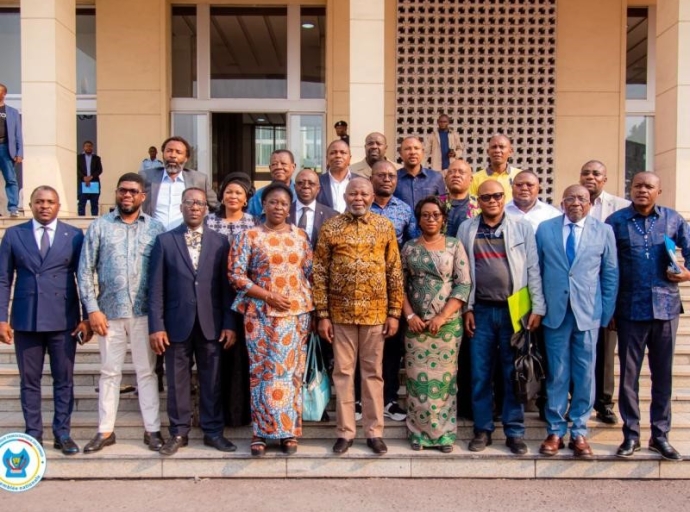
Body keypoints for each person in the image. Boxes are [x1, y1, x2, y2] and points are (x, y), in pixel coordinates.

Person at [314, 177, 403, 455]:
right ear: (345, 196)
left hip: (375, 314)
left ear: (372, 196)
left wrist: (394, 313)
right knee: (342, 373)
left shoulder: (383, 227)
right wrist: (323, 315)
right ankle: (345, 432)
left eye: (364, 194)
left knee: (373, 374)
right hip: (340, 315)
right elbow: (319, 272)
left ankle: (374, 432)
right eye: (353, 193)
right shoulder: (331, 227)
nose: (358, 198)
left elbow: (394, 271)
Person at [78, 173, 166, 453]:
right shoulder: (100, 226)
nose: (127, 196)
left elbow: (163, 275)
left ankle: (152, 430)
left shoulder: (156, 228)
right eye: (122, 191)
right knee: (109, 373)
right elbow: (84, 271)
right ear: (116, 193)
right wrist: (92, 310)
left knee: (146, 373)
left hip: (144, 314)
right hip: (109, 314)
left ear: (143, 197)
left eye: (133, 191)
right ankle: (105, 431)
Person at [457, 180, 545, 455]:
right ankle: (482, 429)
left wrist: (537, 307)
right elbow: (462, 272)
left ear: (503, 197)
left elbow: (533, 268)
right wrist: (466, 309)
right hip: (480, 310)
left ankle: (514, 431)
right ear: (478, 200)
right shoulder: (467, 228)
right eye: (486, 197)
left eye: (496, 195)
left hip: (514, 312)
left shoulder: (521, 227)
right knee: (480, 374)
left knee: (513, 372)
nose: (492, 200)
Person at [0, 186, 90, 454]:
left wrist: (86, 317)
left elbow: (83, 278)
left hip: (64, 320)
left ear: (59, 205)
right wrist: (1, 318)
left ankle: (62, 432)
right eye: (39, 201)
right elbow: (4, 279)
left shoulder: (73, 236)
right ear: (30, 204)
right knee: (30, 380)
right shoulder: (14, 235)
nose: (44, 206)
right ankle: (33, 434)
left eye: (50, 202)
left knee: (64, 379)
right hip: (27, 319)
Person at [607, 172, 690, 461]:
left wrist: (686, 273)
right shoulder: (615, 222)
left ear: (659, 191)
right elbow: (607, 267)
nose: (643, 190)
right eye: (638, 186)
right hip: (629, 309)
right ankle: (631, 436)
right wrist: (610, 309)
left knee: (662, 376)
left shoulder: (673, 219)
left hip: (666, 309)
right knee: (628, 377)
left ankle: (660, 435)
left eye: (649, 187)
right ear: (630, 189)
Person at [148, 187, 238, 456]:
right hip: (176, 323)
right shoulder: (164, 241)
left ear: (206, 209)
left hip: (211, 322)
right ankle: (178, 432)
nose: (195, 207)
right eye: (189, 203)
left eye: (199, 203)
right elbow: (155, 288)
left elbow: (227, 287)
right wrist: (156, 325)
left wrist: (229, 323)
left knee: (212, 379)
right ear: (181, 207)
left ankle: (212, 431)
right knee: (177, 380)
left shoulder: (221, 242)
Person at [229, 182, 314, 456]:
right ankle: (261, 432)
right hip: (260, 316)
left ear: (290, 208)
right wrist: (267, 296)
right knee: (262, 374)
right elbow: (236, 275)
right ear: (263, 205)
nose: (279, 207)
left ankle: (288, 431)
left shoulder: (301, 236)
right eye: (273, 202)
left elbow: (310, 272)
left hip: (295, 316)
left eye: (284, 203)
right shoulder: (249, 236)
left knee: (290, 374)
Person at [536, 184, 618, 458]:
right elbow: (536, 271)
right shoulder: (545, 229)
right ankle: (556, 429)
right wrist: (538, 307)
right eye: (570, 197)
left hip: (588, 313)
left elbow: (610, 275)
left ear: (590, 203)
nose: (575, 202)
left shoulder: (603, 231)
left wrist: (605, 314)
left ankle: (580, 430)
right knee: (558, 373)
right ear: (562, 202)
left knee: (585, 374)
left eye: (581, 198)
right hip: (555, 313)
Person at [401, 196, 471, 452]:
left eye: (436, 215)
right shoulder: (408, 248)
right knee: (418, 382)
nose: (431, 219)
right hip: (416, 326)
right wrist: (410, 316)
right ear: (418, 220)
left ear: (443, 218)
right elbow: (399, 286)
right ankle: (418, 434)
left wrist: (442, 316)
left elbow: (463, 284)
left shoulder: (454, 245)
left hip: (447, 326)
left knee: (443, 382)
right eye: (425, 215)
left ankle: (444, 435)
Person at [579, 159, 630, 425]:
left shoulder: (620, 209)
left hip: (606, 289)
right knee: (579, 350)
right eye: (585, 173)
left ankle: (605, 402)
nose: (590, 177)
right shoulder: (569, 206)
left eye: (596, 173)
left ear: (605, 179)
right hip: (579, 291)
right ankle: (578, 399)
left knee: (606, 350)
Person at [205, 172, 257, 428]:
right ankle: (216, 414)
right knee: (216, 357)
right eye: (229, 192)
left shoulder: (254, 224)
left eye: (238, 193)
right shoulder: (208, 222)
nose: (233, 196)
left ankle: (240, 413)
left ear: (246, 199)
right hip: (213, 296)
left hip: (246, 299)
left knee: (241, 358)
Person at [369, 159, 419, 422]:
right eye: (381, 175)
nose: (387, 179)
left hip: (392, 287)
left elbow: (412, 247)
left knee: (391, 346)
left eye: (391, 175)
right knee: (363, 348)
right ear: (371, 178)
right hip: (362, 290)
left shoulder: (405, 210)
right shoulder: (360, 205)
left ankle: (389, 399)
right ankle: (360, 400)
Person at [139, 136, 218, 230]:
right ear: (163, 154)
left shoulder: (198, 179)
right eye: (169, 151)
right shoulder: (147, 177)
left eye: (178, 152)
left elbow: (216, 206)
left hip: (186, 239)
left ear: (186, 158)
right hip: (152, 237)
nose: (173, 155)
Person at [289, 168, 337, 249]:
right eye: (300, 183)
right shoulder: (284, 212)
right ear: (294, 187)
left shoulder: (332, 216)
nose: (306, 186)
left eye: (311, 183)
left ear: (318, 189)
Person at [394, 136, 447, 211]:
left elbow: (442, 206)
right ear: (401, 154)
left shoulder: (436, 177)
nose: (412, 152)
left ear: (422, 152)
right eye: (408, 149)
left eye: (416, 148)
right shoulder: (393, 178)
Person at [469, 134, 521, 201]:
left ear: (510, 152)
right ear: (488, 152)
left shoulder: (520, 176)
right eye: (494, 147)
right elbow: (473, 207)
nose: (497, 150)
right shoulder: (475, 179)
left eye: (501, 147)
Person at [247, 149, 297, 217]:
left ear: (293, 167)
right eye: (274, 164)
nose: (278, 167)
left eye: (283, 164)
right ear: (270, 168)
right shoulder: (258, 197)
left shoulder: (300, 195)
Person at [0, 83, 22, 217]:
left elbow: (18, 133)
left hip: (6, 148)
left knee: (11, 179)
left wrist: (20, 152)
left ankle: (13, 207)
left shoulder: (12, 112)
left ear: (4, 94)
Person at [444, 159, 479, 238]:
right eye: (451, 172)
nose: (456, 175)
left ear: (471, 179)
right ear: (445, 178)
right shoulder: (435, 203)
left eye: (461, 172)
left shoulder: (479, 204)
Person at [317, 139, 354, 213]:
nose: (338, 156)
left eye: (343, 152)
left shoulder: (360, 181)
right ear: (327, 158)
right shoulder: (318, 181)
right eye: (333, 153)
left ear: (350, 158)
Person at [77, 140, 103, 216]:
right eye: (86, 146)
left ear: (92, 147)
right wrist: (84, 177)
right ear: (83, 147)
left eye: (90, 146)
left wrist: (91, 177)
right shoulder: (79, 157)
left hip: (94, 182)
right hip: (83, 182)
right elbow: (76, 169)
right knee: (82, 202)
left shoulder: (97, 158)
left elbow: (100, 170)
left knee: (94, 202)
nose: (88, 148)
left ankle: (94, 218)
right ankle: (81, 218)